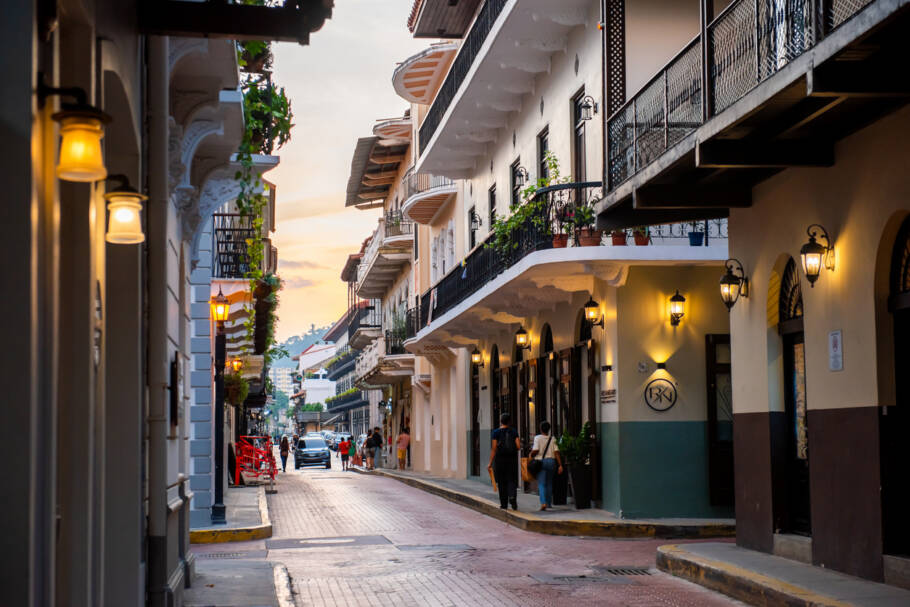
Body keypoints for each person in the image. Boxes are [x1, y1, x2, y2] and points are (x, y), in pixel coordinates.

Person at [488, 413, 520, 510]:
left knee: (502, 482)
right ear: (509, 421)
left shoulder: (496, 432)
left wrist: (490, 463)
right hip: (512, 459)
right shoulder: (514, 431)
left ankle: (504, 504)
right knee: (512, 480)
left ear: (500, 421)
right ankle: (512, 496)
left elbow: (494, 448)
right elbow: (518, 447)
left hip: (500, 460)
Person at [529, 421, 563, 511]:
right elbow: (556, 453)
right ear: (549, 429)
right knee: (549, 483)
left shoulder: (537, 438)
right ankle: (548, 503)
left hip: (541, 462)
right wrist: (560, 465)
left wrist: (531, 454)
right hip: (552, 462)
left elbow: (535, 450)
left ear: (540, 429)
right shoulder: (553, 439)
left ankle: (543, 502)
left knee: (542, 483)